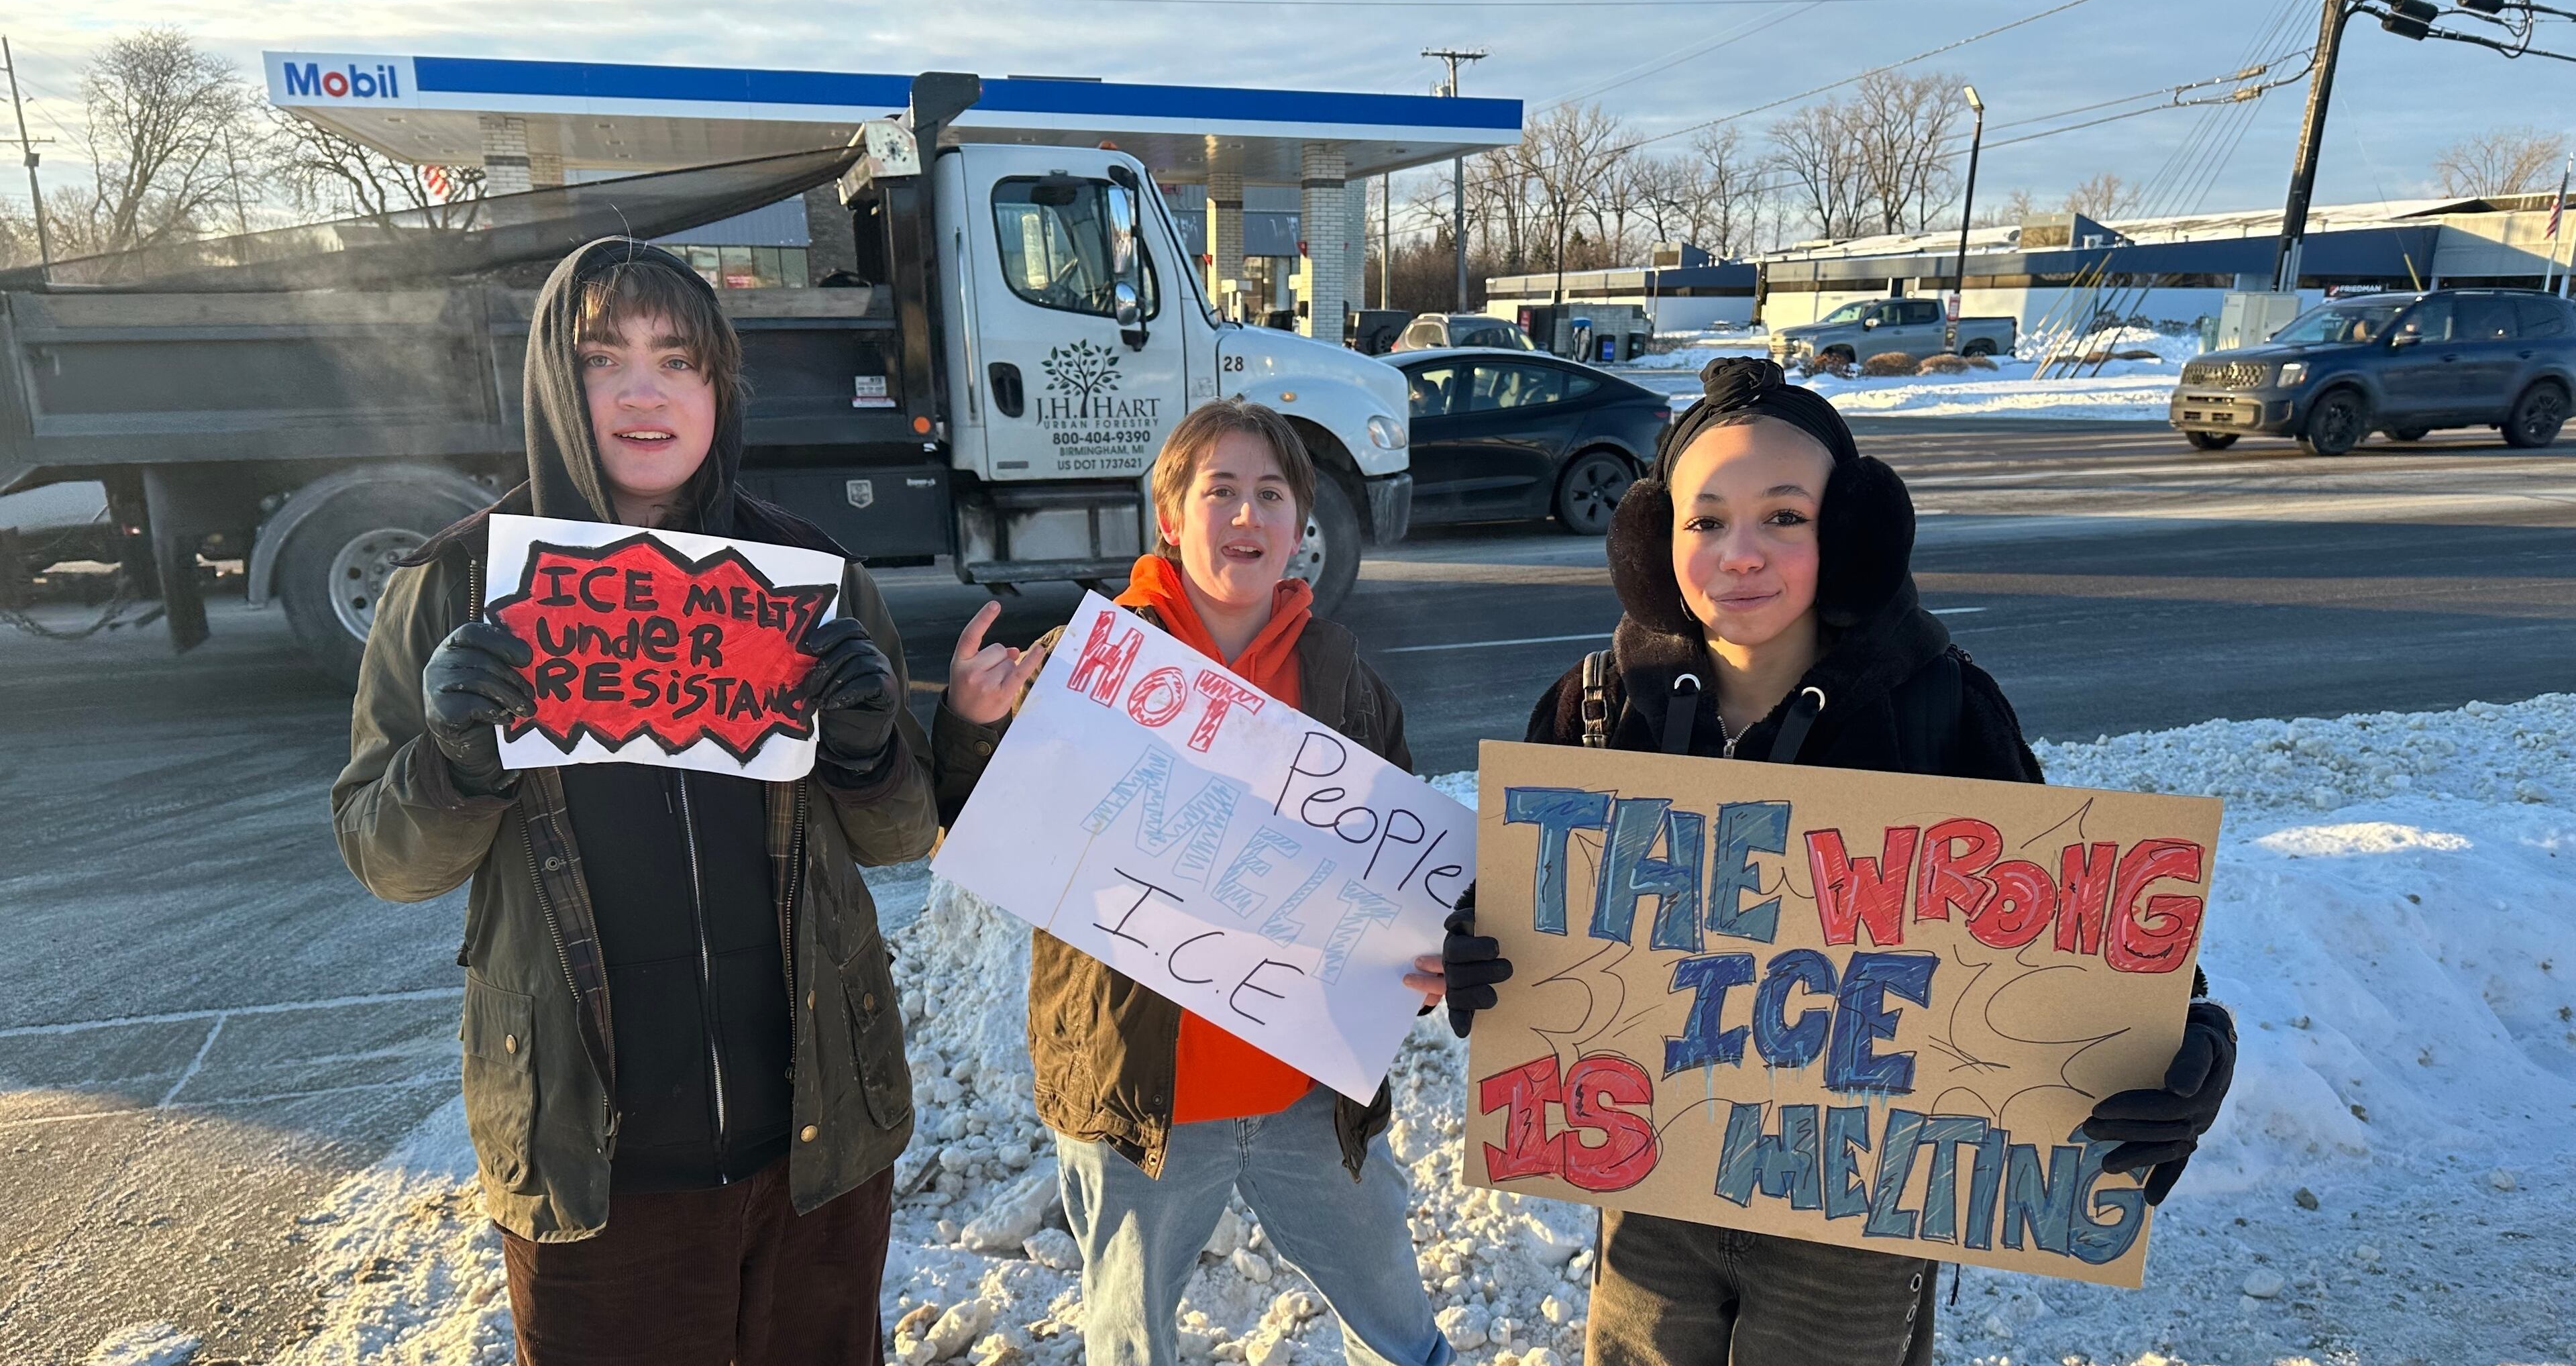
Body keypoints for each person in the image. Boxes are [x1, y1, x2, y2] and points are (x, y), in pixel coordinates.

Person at [1438, 357, 2237, 1366]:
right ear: (1655, 537)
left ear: (1851, 537)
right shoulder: (1594, 707)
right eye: (1705, 519)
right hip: (1652, 1183)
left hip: (1855, 1207)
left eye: (1784, 517)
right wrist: (1483, 955)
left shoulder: (1936, 704)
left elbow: (2065, 913)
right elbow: (1520, 902)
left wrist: (2190, 1029)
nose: (1740, 554)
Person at [332, 239, 938, 1366]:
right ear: (557, 388)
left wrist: (866, 748)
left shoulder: (811, 579)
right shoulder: (454, 586)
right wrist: (453, 759)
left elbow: (902, 837)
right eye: (604, 357)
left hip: (815, 1148)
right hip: (594, 1168)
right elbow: (385, 856)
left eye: (680, 360)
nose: (646, 390)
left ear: (720, 390)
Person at [933, 401, 1453, 1366]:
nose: (1246, 516)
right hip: (1140, 1100)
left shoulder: (1342, 677)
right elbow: (975, 828)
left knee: (1399, 1324)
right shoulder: (1090, 665)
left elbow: (1404, 868)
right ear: (1171, 516)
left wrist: (1433, 957)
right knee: (1131, 1340)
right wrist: (971, 724)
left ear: (1302, 527)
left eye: (1271, 495)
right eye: (1221, 492)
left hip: (1307, 1095)